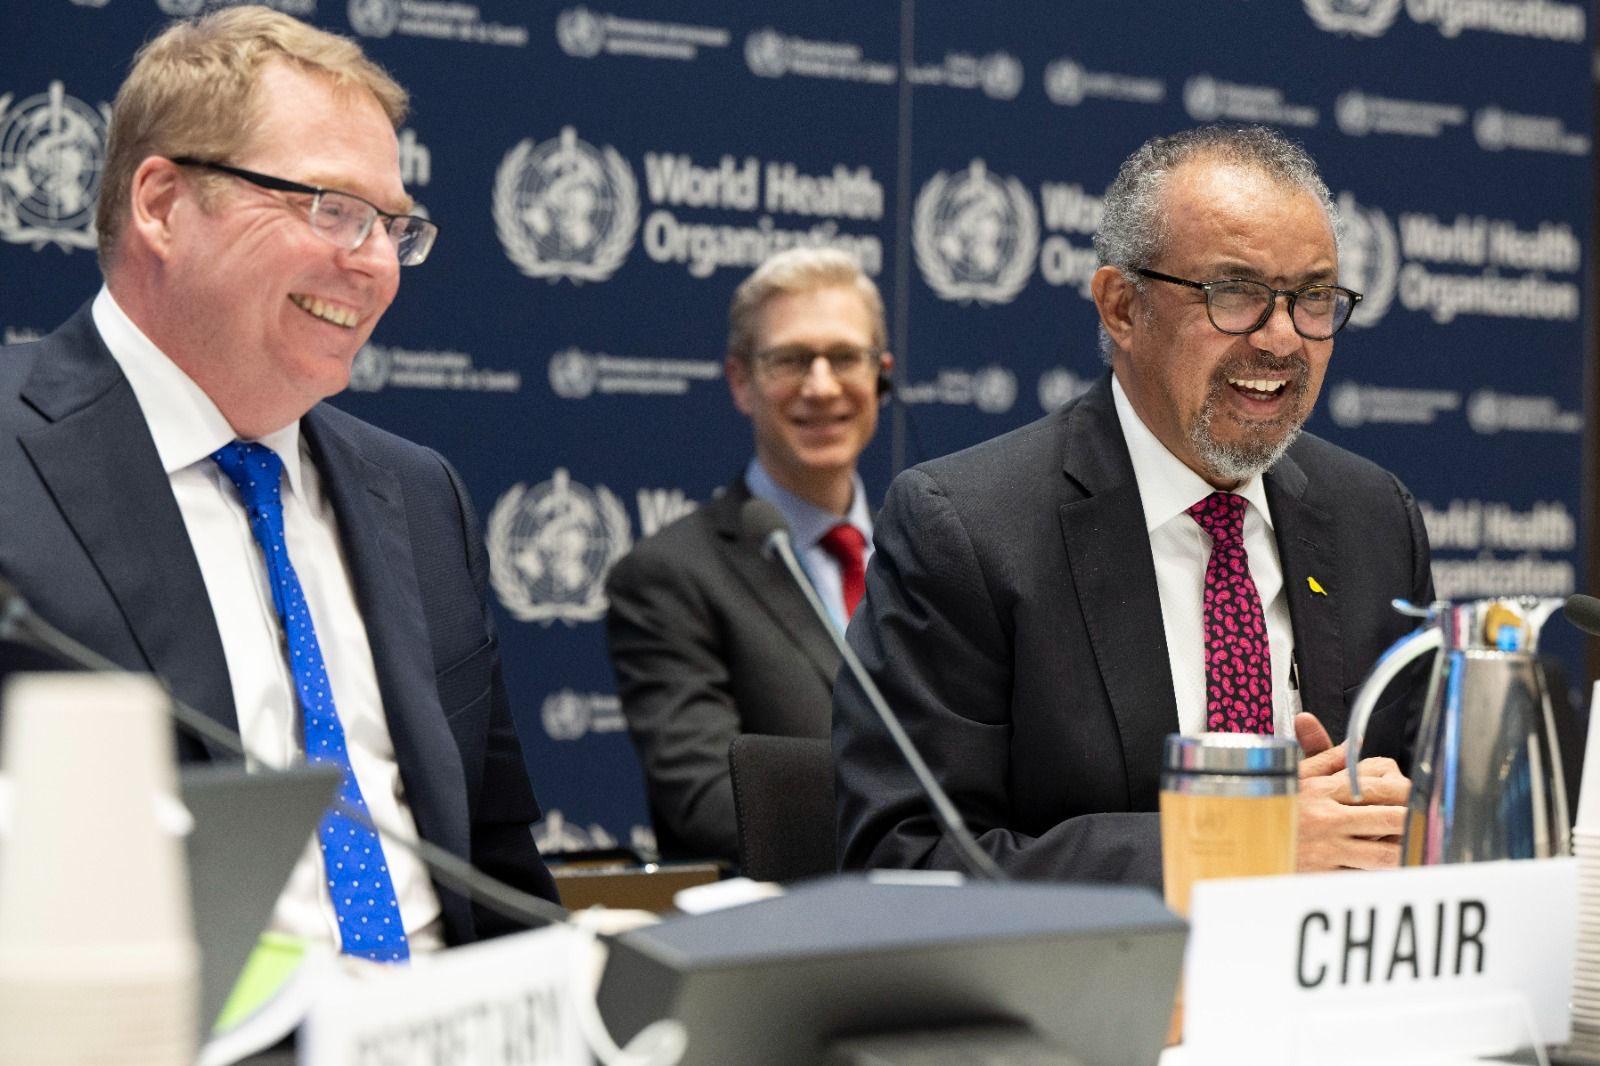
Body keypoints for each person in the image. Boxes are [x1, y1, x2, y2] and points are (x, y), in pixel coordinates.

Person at [0, 6, 557, 958]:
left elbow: (500, 871)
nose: (376, 262)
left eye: (394, 226)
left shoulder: (420, 496)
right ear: (163, 204)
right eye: (331, 209)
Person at [834, 126, 1430, 889]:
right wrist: (1240, 843)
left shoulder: (1373, 517)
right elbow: (907, 863)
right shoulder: (967, 530)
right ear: (1121, 307)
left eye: (1314, 298)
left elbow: (1423, 821)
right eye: (1236, 293)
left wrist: (1399, 820)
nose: (1283, 340)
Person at [605, 248, 893, 863]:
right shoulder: (669, 576)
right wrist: (915, 825)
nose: (821, 386)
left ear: (881, 376)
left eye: (845, 357)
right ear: (741, 382)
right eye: (789, 360)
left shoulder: (930, 555)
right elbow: (711, 803)